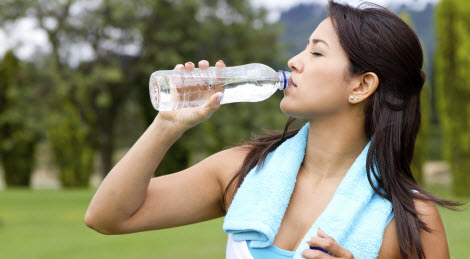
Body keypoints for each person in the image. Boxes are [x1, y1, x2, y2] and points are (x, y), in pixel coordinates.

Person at [84, 1, 462, 258]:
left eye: (316, 52)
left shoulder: (410, 218)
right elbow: (108, 217)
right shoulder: (242, 172)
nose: (294, 62)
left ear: (361, 86)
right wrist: (166, 126)